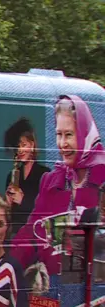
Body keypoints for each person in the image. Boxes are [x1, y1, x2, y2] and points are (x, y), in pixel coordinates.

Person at [10, 95, 105, 284]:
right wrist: (7, 267)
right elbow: (31, 233)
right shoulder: (52, 180)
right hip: (53, 290)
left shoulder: (102, 176)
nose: (63, 143)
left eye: (69, 134)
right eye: (59, 134)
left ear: (85, 133)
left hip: (95, 290)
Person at [4, 118, 50, 233]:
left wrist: (23, 201)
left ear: (32, 145)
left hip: (36, 233)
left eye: (24, 145)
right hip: (15, 234)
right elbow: (8, 217)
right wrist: (7, 205)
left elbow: (47, 210)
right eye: (17, 146)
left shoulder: (45, 174)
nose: (20, 150)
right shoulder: (11, 176)